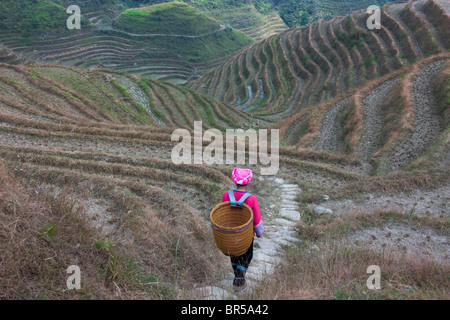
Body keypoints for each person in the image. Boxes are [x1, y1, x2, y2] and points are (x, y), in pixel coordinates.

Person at [222, 168, 264, 292]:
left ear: (234, 180)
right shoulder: (252, 199)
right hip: (246, 234)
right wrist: (259, 232)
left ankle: (238, 276)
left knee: (234, 256)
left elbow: (224, 213)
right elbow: (256, 218)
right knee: (247, 256)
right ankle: (239, 279)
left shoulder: (226, 195)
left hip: (230, 233)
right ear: (248, 181)